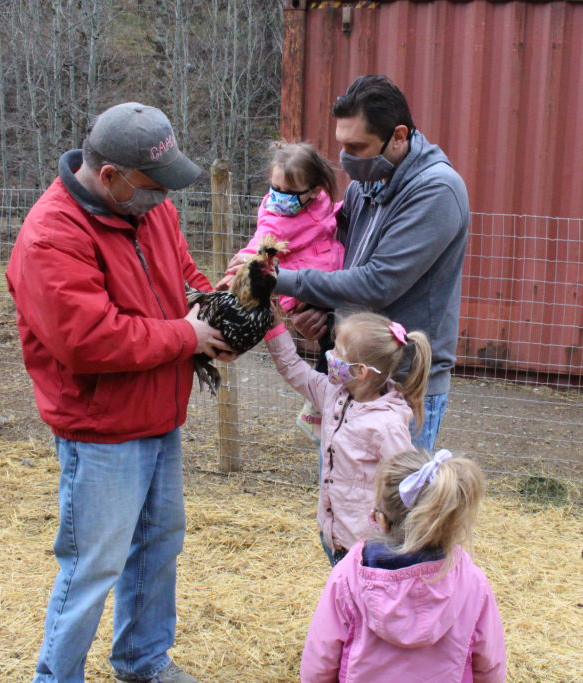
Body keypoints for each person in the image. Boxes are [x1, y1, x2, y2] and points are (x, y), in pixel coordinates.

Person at [6, 102, 234, 683]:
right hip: (101, 427)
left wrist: (217, 315)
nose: (164, 198)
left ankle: (142, 660)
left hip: (159, 410)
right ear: (110, 176)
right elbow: (90, 340)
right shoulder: (51, 237)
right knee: (93, 568)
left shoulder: (148, 208)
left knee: (158, 546)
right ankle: (57, 678)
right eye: (155, 187)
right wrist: (187, 334)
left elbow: (184, 274)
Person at [273, 74, 470, 453]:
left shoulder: (436, 190)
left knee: (389, 508)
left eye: (357, 147)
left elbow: (378, 283)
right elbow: (344, 262)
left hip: (403, 385)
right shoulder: (367, 183)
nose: (347, 159)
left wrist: (281, 280)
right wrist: (323, 314)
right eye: (342, 145)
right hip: (352, 375)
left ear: (398, 136)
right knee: (341, 493)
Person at [300, 449, 507, 682]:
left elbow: (319, 665)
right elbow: (490, 666)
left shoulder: (348, 577)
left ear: (381, 517)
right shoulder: (471, 581)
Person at [265, 311, 431, 566]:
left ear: (361, 371)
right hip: (337, 537)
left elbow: (406, 489)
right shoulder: (333, 394)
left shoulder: (386, 425)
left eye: (338, 351)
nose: (330, 355)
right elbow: (292, 367)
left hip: (369, 551)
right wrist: (272, 326)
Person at [217, 141, 344, 443]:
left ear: (314, 190)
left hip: (330, 281)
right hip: (303, 289)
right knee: (334, 344)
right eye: (273, 188)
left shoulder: (322, 202)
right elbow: (263, 242)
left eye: (286, 192)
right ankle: (319, 407)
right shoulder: (278, 215)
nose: (277, 198)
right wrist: (242, 266)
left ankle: (323, 404)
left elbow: (328, 220)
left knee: (339, 346)